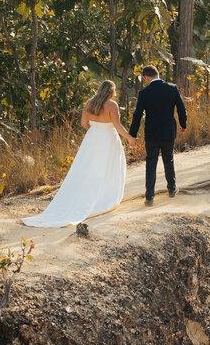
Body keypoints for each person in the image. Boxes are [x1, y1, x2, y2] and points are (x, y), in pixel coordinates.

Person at [22, 80, 134, 228]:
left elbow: (83, 124)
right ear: (111, 92)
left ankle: (84, 196)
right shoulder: (112, 105)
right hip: (108, 139)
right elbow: (117, 126)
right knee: (109, 168)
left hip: (92, 138)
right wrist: (130, 138)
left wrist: (95, 129)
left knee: (88, 169)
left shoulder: (89, 104)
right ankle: (104, 198)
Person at [129, 65, 188, 207]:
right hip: (168, 132)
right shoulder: (172, 88)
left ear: (146, 77)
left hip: (151, 133)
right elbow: (181, 108)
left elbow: (137, 115)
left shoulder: (144, 93)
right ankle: (172, 189)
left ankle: (149, 197)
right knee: (169, 160)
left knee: (151, 164)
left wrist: (133, 134)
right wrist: (183, 124)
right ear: (157, 74)